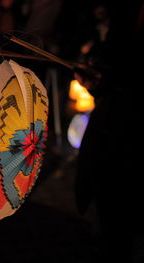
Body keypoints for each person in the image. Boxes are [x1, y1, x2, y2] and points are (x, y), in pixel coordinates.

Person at [73, 1, 143, 262]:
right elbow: (114, 55)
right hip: (113, 133)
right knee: (114, 223)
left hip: (131, 133)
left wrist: (116, 77)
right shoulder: (126, 10)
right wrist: (98, 75)